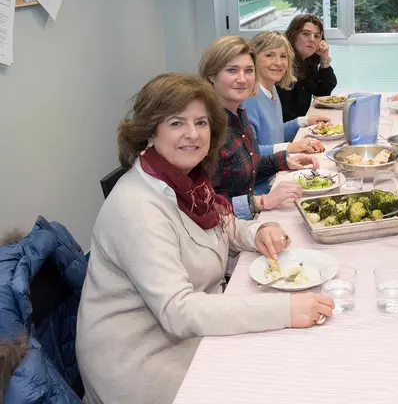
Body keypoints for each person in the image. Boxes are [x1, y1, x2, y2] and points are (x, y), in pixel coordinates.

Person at [76, 73, 335, 404]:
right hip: (141, 362)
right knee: (283, 378)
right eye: (176, 123)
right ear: (150, 132)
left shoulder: (187, 181)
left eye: (201, 122)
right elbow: (178, 311)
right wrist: (283, 309)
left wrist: (257, 231)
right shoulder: (138, 207)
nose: (193, 134)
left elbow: (222, 227)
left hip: (182, 335)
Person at [199, 36, 318, 215]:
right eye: (232, 70)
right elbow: (204, 205)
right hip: (230, 226)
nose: (242, 79)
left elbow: (247, 161)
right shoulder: (206, 128)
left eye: (248, 70)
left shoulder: (238, 113)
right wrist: (261, 201)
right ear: (211, 77)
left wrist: (284, 160)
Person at [244, 31, 328, 157]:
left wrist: (303, 121)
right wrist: (291, 146)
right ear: (253, 59)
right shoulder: (248, 98)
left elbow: (274, 134)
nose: (278, 62)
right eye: (269, 55)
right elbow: (249, 154)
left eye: (283, 56)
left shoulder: (272, 89)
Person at [278, 14, 338, 122]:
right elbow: (284, 115)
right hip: (287, 131)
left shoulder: (307, 62)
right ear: (293, 35)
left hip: (300, 125)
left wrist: (324, 59)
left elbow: (322, 93)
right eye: (306, 34)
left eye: (317, 36)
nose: (312, 39)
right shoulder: (282, 65)